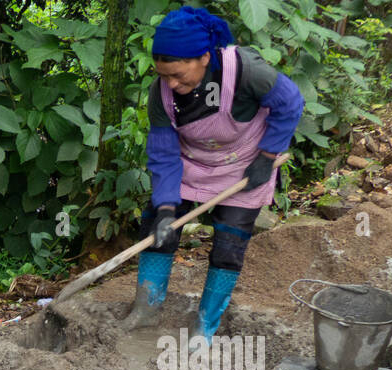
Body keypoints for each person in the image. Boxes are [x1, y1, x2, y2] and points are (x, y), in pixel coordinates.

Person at [121, 5, 303, 348]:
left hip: (245, 164)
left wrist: (267, 156)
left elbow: (290, 102)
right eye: (164, 76)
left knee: (229, 244)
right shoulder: (161, 93)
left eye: (178, 75)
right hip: (193, 164)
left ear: (203, 57)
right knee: (157, 228)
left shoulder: (246, 70)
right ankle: (146, 310)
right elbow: (163, 152)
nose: (171, 84)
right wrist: (164, 209)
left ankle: (205, 326)